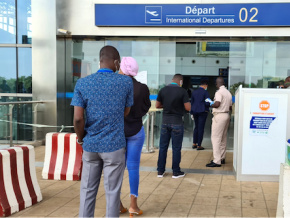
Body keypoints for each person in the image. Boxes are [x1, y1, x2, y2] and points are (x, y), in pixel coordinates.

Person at [71, 45, 134, 218]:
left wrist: (81, 138)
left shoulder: (83, 83)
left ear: (100, 61)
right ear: (115, 62)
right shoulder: (125, 82)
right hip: (114, 146)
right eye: (118, 63)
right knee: (112, 192)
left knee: (87, 190)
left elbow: (77, 118)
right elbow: (126, 111)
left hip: (91, 146)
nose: (118, 66)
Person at [118, 57, 151, 216]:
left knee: (116, 168)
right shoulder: (142, 88)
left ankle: (117, 203)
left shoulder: (115, 85)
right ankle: (133, 206)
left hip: (117, 132)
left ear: (123, 69)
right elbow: (146, 107)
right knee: (133, 168)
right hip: (136, 130)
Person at [156, 74, 191, 178]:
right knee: (176, 148)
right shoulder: (182, 91)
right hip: (177, 122)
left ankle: (160, 171)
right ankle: (176, 172)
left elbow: (157, 105)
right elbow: (188, 108)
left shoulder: (163, 90)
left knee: (163, 147)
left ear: (172, 80)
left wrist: (166, 106)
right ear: (180, 81)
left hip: (165, 122)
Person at [206, 77, 232, 167]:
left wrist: (211, 103)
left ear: (217, 84)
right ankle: (222, 157)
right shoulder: (228, 93)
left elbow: (217, 104)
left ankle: (217, 161)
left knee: (216, 138)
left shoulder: (219, 92)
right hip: (226, 115)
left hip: (219, 116)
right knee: (223, 138)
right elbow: (230, 107)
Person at [190, 80, 210, 150]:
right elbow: (208, 102)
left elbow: (192, 103)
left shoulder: (194, 92)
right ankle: (199, 145)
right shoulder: (205, 92)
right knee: (201, 128)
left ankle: (194, 143)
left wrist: (191, 112)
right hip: (202, 111)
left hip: (195, 111)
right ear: (205, 86)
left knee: (196, 127)